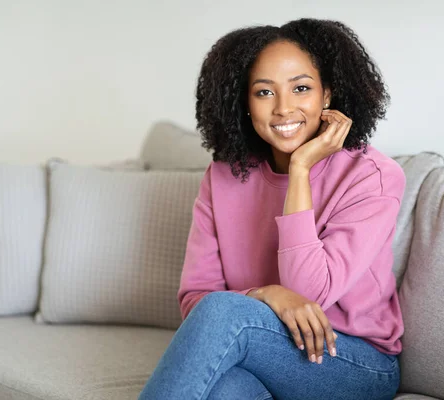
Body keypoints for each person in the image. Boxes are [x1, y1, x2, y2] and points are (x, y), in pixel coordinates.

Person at [139, 18, 405, 400]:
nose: (283, 108)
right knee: (223, 390)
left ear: (327, 95)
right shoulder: (224, 176)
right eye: (264, 93)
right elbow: (195, 299)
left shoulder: (373, 177)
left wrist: (300, 168)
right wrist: (265, 294)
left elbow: (306, 292)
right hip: (265, 354)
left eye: (301, 88)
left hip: (354, 362)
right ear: (244, 102)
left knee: (223, 313)